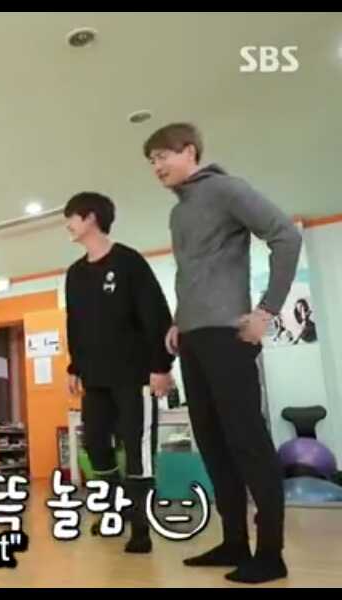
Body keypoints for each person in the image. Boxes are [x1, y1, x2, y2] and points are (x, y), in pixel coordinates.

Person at [145, 122, 302, 584]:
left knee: (247, 442)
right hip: (193, 339)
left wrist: (267, 310)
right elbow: (193, 273)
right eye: (151, 161)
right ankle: (234, 541)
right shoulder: (179, 213)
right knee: (212, 443)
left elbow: (286, 236)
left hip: (227, 337)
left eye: (162, 156)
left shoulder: (226, 189)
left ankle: (270, 554)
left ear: (189, 151)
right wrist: (179, 320)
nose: (156, 167)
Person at [63, 191, 175, 554]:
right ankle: (116, 509)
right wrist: (74, 366)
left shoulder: (129, 262)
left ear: (91, 218)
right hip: (94, 379)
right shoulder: (75, 273)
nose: (67, 225)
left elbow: (156, 315)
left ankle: (141, 528)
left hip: (134, 377)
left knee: (137, 450)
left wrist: (161, 366)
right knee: (95, 445)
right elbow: (75, 324)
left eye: (71, 218)